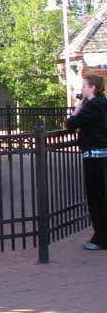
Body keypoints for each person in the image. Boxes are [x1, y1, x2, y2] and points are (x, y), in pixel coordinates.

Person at [65, 74, 107, 250]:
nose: (81, 89)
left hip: (94, 156)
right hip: (102, 155)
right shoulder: (103, 103)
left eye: (84, 86)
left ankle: (101, 238)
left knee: (96, 198)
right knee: (102, 195)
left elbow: (70, 124)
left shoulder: (93, 106)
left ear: (93, 88)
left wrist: (78, 107)